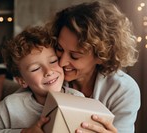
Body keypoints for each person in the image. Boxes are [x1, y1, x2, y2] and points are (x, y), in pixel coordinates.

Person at [44, 1, 141, 133]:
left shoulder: (123, 90)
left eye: (75, 56)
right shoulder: (49, 75)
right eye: (59, 49)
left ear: (102, 56)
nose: (61, 63)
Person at [0, 26, 84, 133]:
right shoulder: (10, 106)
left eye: (53, 61)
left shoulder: (78, 99)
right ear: (22, 81)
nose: (49, 71)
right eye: (36, 69)